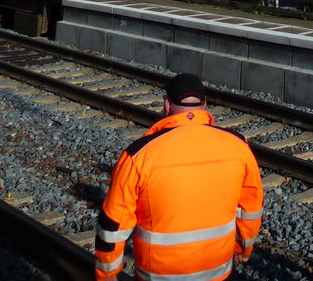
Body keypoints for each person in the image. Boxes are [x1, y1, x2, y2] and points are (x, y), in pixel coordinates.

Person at [94, 72, 264, 281]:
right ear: (204, 106)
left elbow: (114, 222)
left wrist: (107, 273)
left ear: (167, 105)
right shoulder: (238, 146)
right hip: (217, 270)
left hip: (158, 275)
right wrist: (243, 248)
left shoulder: (139, 154)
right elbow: (250, 209)